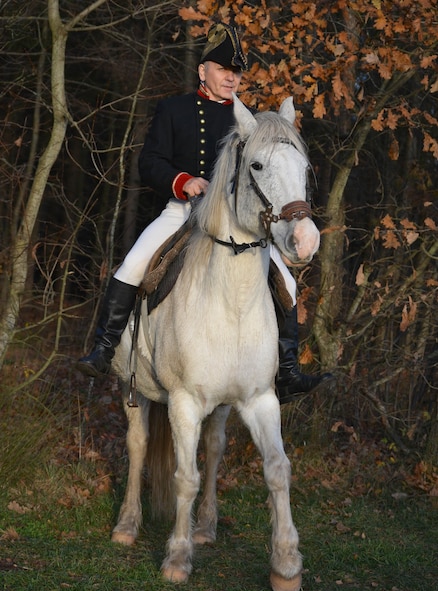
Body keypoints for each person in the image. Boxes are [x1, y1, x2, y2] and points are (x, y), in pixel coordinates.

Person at [77, 22, 332, 403]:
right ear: (203, 71)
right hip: (182, 210)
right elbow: (150, 162)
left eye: (237, 72)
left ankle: (288, 371)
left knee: (288, 284)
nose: (232, 77)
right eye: (224, 70)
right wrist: (183, 181)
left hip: (237, 222)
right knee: (132, 264)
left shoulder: (250, 122)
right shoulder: (174, 109)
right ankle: (105, 349)